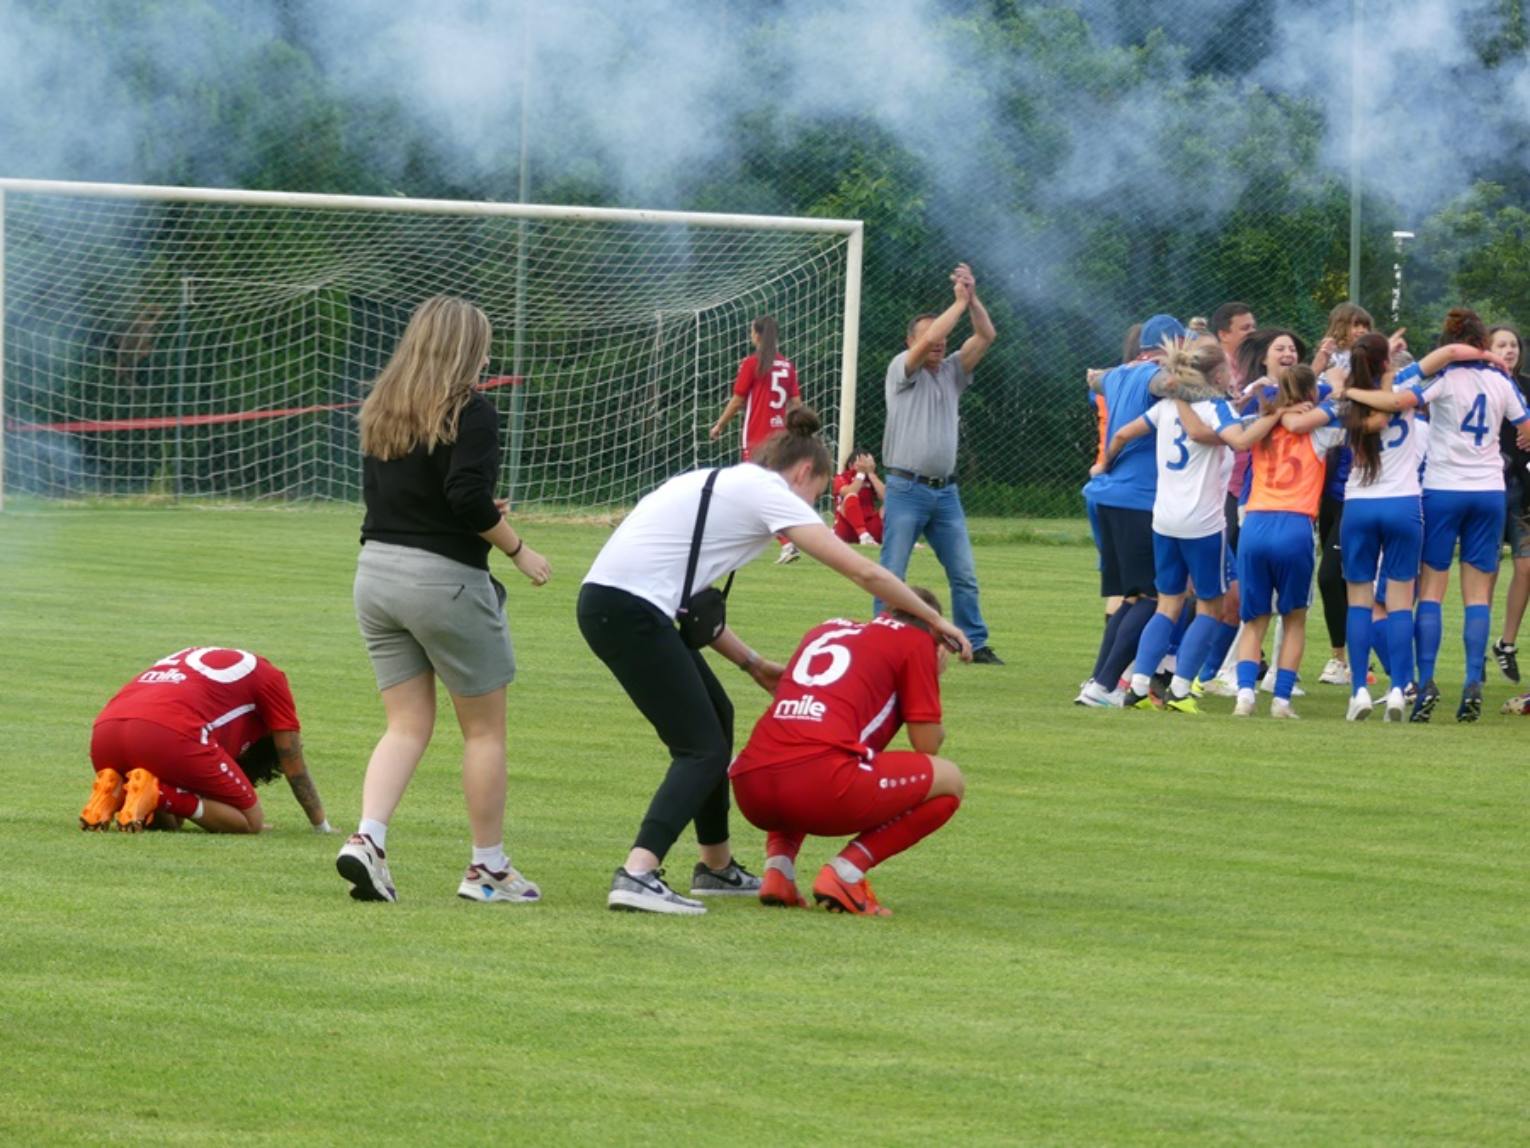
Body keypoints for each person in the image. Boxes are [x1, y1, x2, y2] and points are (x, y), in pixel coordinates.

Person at [579, 406, 972, 916]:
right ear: (804, 472)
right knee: (700, 748)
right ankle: (638, 872)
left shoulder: (717, 482)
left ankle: (716, 866)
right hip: (629, 610)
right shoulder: (768, 491)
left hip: (615, 603)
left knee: (717, 718)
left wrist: (753, 664)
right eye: (815, 497)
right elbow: (864, 573)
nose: (809, 511)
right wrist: (934, 620)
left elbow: (695, 606)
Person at [337, 295, 552, 906]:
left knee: (405, 724)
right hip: (442, 582)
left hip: (375, 576)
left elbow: (423, 495)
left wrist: (478, 510)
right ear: (465, 349)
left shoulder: (383, 405)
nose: (487, 358)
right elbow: (463, 497)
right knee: (484, 733)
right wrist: (518, 549)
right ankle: (488, 869)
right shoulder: (471, 409)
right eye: (483, 347)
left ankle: (368, 839)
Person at [1344, 308, 1530, 721]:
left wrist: (1350, 391)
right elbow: (1526, 425)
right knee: (1477, 595)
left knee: (1431, 592)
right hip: (1489, 491)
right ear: (1482, 342)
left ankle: (1425, 682)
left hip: (1442, 489)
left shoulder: (1442, 378)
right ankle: (1472, 680)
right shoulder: (1501, 380)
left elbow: (1399, 401)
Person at [729, 587, 961, 917]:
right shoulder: (916, 641)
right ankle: (846, 873)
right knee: (950, 779)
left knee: (799, 747)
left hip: (750, 785)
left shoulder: (826, 628)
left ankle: (778, 872)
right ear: (936, 630)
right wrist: (930, 674)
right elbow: (927, 745)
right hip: (819, 786)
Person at [1092, 338, 1282, 713]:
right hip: (1202, 523)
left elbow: (1123, 433)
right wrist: (1273, 416)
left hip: (1164, 520)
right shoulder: (1215, 409)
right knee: (1211, 607)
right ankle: (1180, 690)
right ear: (1217, 375)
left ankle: (1139, 686)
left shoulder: (1167, 406)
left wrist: (1105, 464)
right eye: (1227, 367)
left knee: (1167, 605)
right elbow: (1238, 441)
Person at [878, 263, 1002, 664]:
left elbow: (986, 336)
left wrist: (972, 298)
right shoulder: (901, 368)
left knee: (964, 574)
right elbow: (933, 335)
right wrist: (958, 303)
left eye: (944, 337)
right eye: (931, 336)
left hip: (945, 491)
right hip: (906, 488)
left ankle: (974, 643)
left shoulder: (952, 372)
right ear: (910, 342)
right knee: (892, 571)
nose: (939, 342)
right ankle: (882, 637)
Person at [80, 646, 330, 835]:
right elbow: (292, 761)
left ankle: (118, 791)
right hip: (166, 734)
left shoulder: (189, 660)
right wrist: (321, 825)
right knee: (251, 822)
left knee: (169, 822)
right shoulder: (270, 677)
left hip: (105, 734)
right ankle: (157, 793)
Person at [1076, 313, 1186, 705]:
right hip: (1138, 498)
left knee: (1133, 597)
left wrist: (1096, 375)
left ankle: (1098, 681)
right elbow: (1170, 384)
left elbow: (1094, 379)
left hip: (1107, 497)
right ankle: (1105, 686)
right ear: (1172, 345)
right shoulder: (1156, 376)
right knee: (1156, 595)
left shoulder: (1118, 374)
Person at [1318, 332, 1426, 721]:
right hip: (1402, 502)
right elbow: (1400, 396)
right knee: (1399, 604)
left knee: (1359, 602)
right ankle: (1398, 688)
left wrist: (1341, 385)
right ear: (1385, 363)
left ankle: (1359, 691)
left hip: (1360, 505)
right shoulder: (1402, 391)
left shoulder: (1347, 401)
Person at [1232, 365, 1345, 718]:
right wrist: (1332, 392)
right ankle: (1281, 699)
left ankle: (1244, 695)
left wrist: (1277, 408)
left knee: (1254, 620)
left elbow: (1239, 428)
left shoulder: (1260, 425)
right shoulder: (1320, 432)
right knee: (1294, 618)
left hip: (1255, 522)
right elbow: (1346, 418)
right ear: (1311, 393)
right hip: (1295, 524)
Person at [710, 316, 803, 561]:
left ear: (758, 335)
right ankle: (768, 538)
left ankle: (785, 542)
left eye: (752, 331)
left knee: (752, 488)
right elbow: (796, 403)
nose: (750, 335)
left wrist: (720, 424)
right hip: (781, 436)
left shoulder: (752, 363)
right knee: (769, 488)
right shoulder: (787, 366)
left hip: (756, 436)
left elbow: (738, 400)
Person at [1489, 324, 1530, 683]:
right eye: (1501, 344)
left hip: (1524, 487)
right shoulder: (1481, 386)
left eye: (1513, 344)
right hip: (1488, 487)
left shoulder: (1527, 386)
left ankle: (1506, 644)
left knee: (1527, 567)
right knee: (1485, 570)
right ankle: (1475, 649)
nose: (1509, 350)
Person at [833, 448, 886, 544]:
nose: (866, 466)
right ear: (851, 465)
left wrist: (871, 474)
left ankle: (897, 538)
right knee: (851, 496)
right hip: (846, 528)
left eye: (869, 463)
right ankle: (863, 534)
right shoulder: (841, 477)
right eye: (863, 463)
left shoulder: (871, 479)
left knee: (891, 504)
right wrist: (860, 474)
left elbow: (887, 497)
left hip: (870, 528)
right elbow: (850, 492)